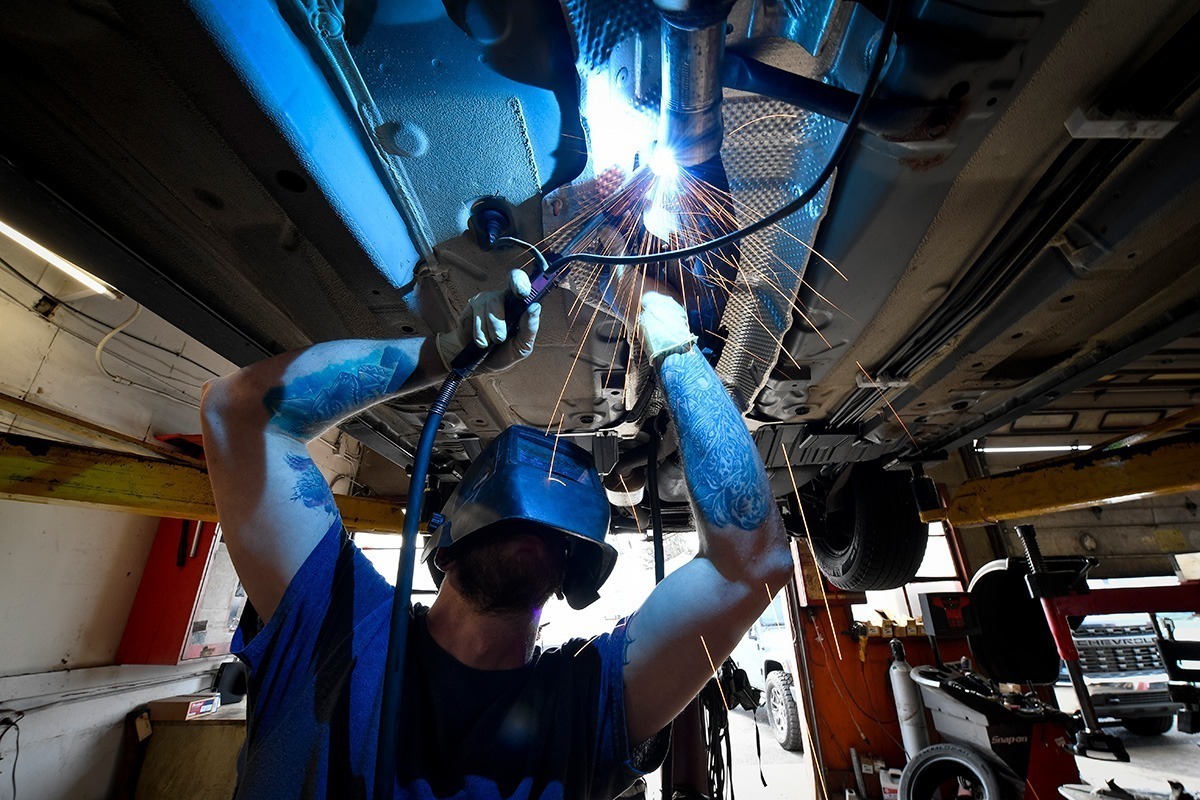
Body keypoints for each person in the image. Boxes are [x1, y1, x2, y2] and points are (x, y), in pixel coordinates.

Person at [200, 268, 793, 799]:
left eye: (541, 529)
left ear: (570, 572)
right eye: (509, 514)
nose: (525, 526)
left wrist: (674, 343)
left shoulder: (585, 706)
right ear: (444, 543)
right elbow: (239, 412)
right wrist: (441, 354)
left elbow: (752, 564)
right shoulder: (338, 625)